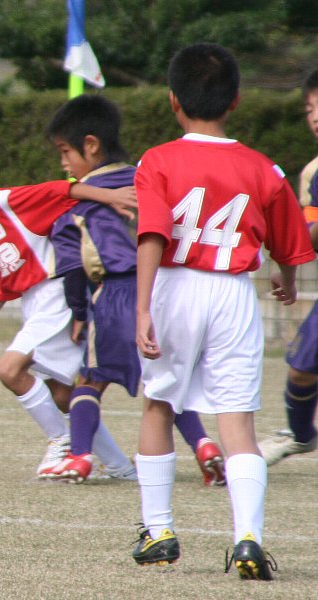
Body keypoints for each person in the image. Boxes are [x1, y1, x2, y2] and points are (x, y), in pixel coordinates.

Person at [131, 43, 314, 580]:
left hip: (174, 286)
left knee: (159, 404)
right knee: (237, 420)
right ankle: (248, 539)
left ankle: (159, 531)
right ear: (235, 100)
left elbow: (152, 234)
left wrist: (142, 308)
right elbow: (291, 245)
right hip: (234, 293)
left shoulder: (157, 160)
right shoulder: (263, 168)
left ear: (173, 100)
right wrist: (288, 280)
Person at [0, 125, 138, 481]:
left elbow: (59, 189)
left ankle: (62, 441)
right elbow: (6, 279)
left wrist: (107, 196)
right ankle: (120, 467)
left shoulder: (3, 201)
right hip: (36, 303)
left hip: (55, 294)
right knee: (64, 395)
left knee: (9, 369)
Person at [42, 94, 226, 486]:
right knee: (164, 384)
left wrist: (79, 314)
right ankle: (204, 445)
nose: (63, 164)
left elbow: (73, 270)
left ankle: (79, 456)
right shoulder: (149, 176)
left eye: (64, 152)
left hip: (115, 295)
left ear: (91, 145)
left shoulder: (76, 204)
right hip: (162, 290)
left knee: (89, 381)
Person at [258, 68, 318, 466]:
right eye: (310, 109)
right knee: (299, 370)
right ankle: (300, 435)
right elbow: (310, 234)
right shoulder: (314, 172)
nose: (314, 116)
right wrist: (288, 255)